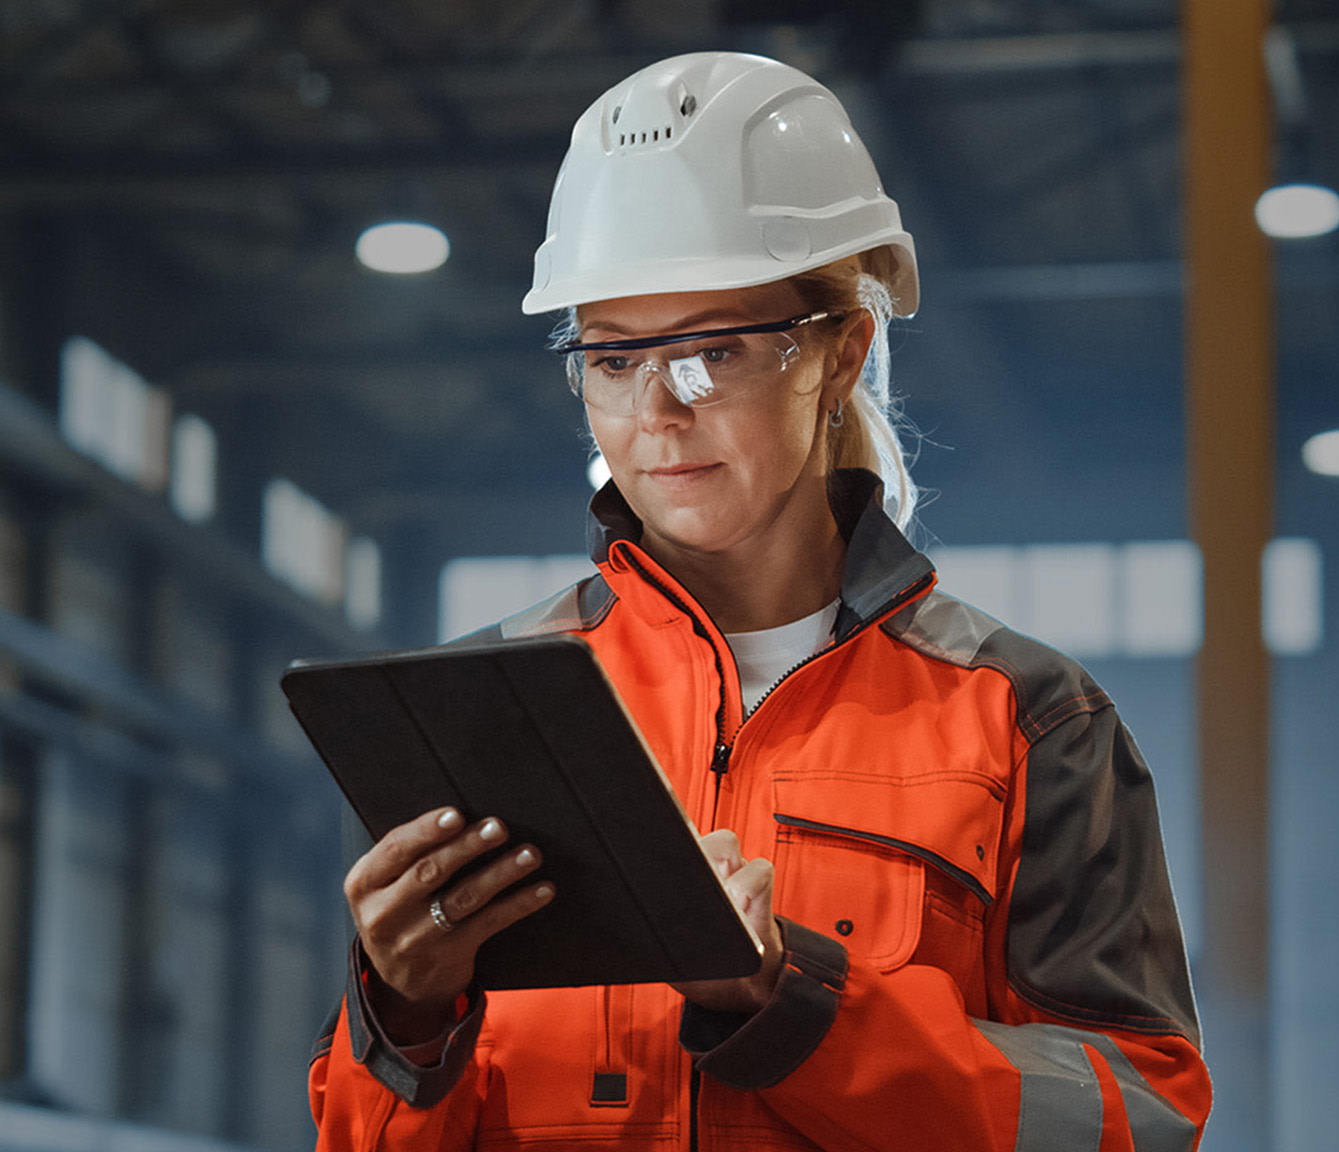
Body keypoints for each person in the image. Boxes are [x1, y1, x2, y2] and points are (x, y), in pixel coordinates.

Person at [308, 50, 1212, 1150]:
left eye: (712, 353)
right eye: (613, 358)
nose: (657, 414)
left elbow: (1140, 1120)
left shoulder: (1027, 724)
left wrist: (797, 1004)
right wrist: (405, 1016)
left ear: (840, 357)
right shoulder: (476, 715)